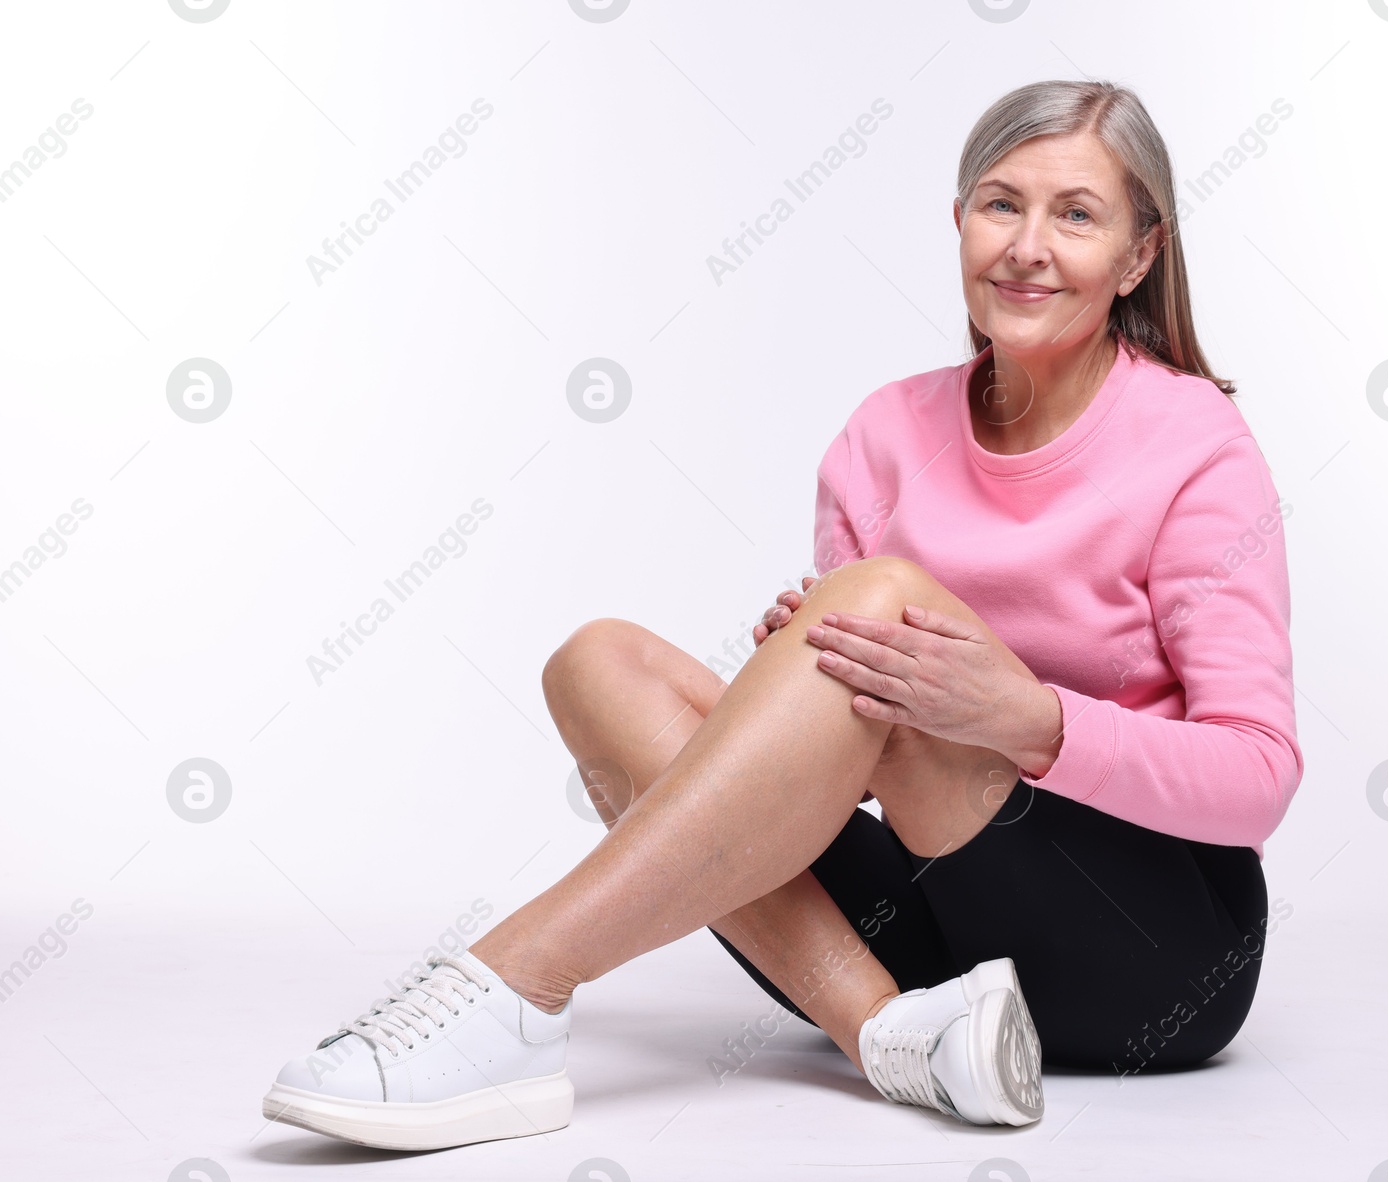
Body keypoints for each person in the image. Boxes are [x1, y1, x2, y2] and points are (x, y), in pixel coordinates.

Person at [261, 77, 1303, 1152]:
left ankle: (513, 986)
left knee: (879, 608)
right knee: (599, 665)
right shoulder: (884, 434)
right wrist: (806, 693)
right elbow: (858, 753)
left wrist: (1025, 717)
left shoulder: (1196, 449)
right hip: (934, 944)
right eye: (1001, 205)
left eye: (1075, 215)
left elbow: (1258, 779)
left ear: (1138, 255)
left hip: (1147, 961)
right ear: (958, 224)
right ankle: (897, 1037)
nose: (1027, 245)